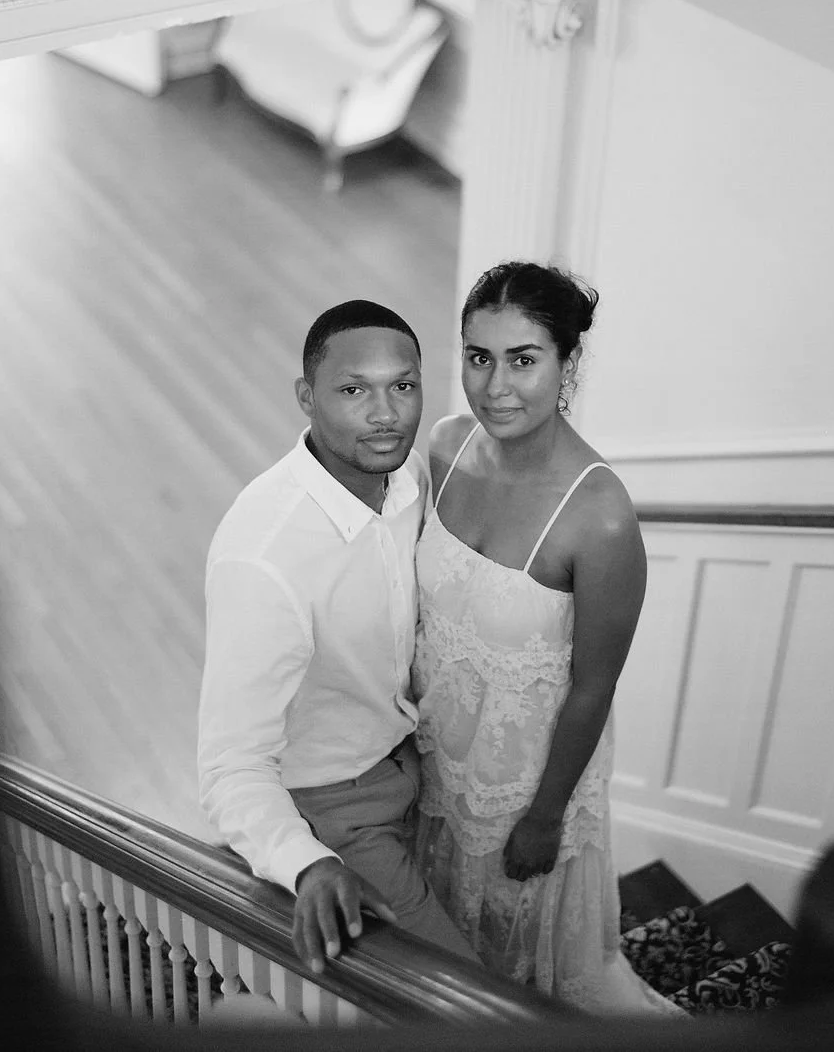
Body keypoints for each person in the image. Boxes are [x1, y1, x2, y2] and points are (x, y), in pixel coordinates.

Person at [411, 262, 684, 1016]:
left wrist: (542, 817)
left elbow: (595, 685)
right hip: (435, 760)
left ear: (568, 362)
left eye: (523, 360)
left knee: (517, 973)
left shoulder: (599, 518)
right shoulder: (445, 447)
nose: (496, 386)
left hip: (523, 787)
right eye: (478, 357)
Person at [197, 300, 477, 977]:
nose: (386, 414)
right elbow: (230, 762)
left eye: (403, 386)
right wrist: (308, 863)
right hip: (333, 810)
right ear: (307, 397)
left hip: (414, 769)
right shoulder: (265, 554)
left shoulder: (407, 478)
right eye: (354, 390)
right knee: (474, 1001)